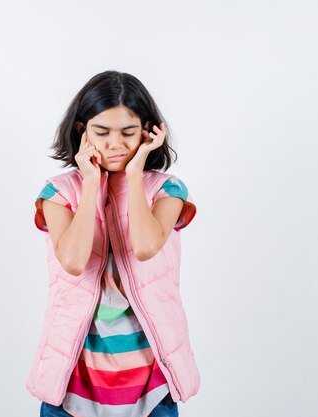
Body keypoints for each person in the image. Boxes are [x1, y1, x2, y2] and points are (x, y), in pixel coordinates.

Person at [26, 71, 200, 417]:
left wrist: (134, 175)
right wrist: (89, 184)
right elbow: (73, 262)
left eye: (128, 133)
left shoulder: (166, 190)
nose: (115, 144)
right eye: (101, 133)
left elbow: (146, 246)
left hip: (151, 385)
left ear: (149, 132)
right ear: (82, 131)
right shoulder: (59, 192)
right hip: (72, 384)